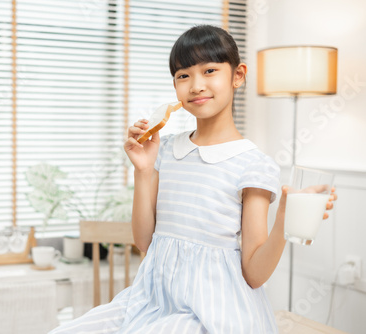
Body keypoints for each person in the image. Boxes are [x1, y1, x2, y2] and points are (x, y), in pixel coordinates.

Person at [49, 24, 338, 334]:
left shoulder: (253, 164)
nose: (196, 85)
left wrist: (284, 216)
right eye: (183, 75)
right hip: (149, 301)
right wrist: (143, 170)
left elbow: (254, 274)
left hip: (214, 310)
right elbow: (145, 241)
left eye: (210, 70)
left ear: (237, 75)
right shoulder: (166, 148)